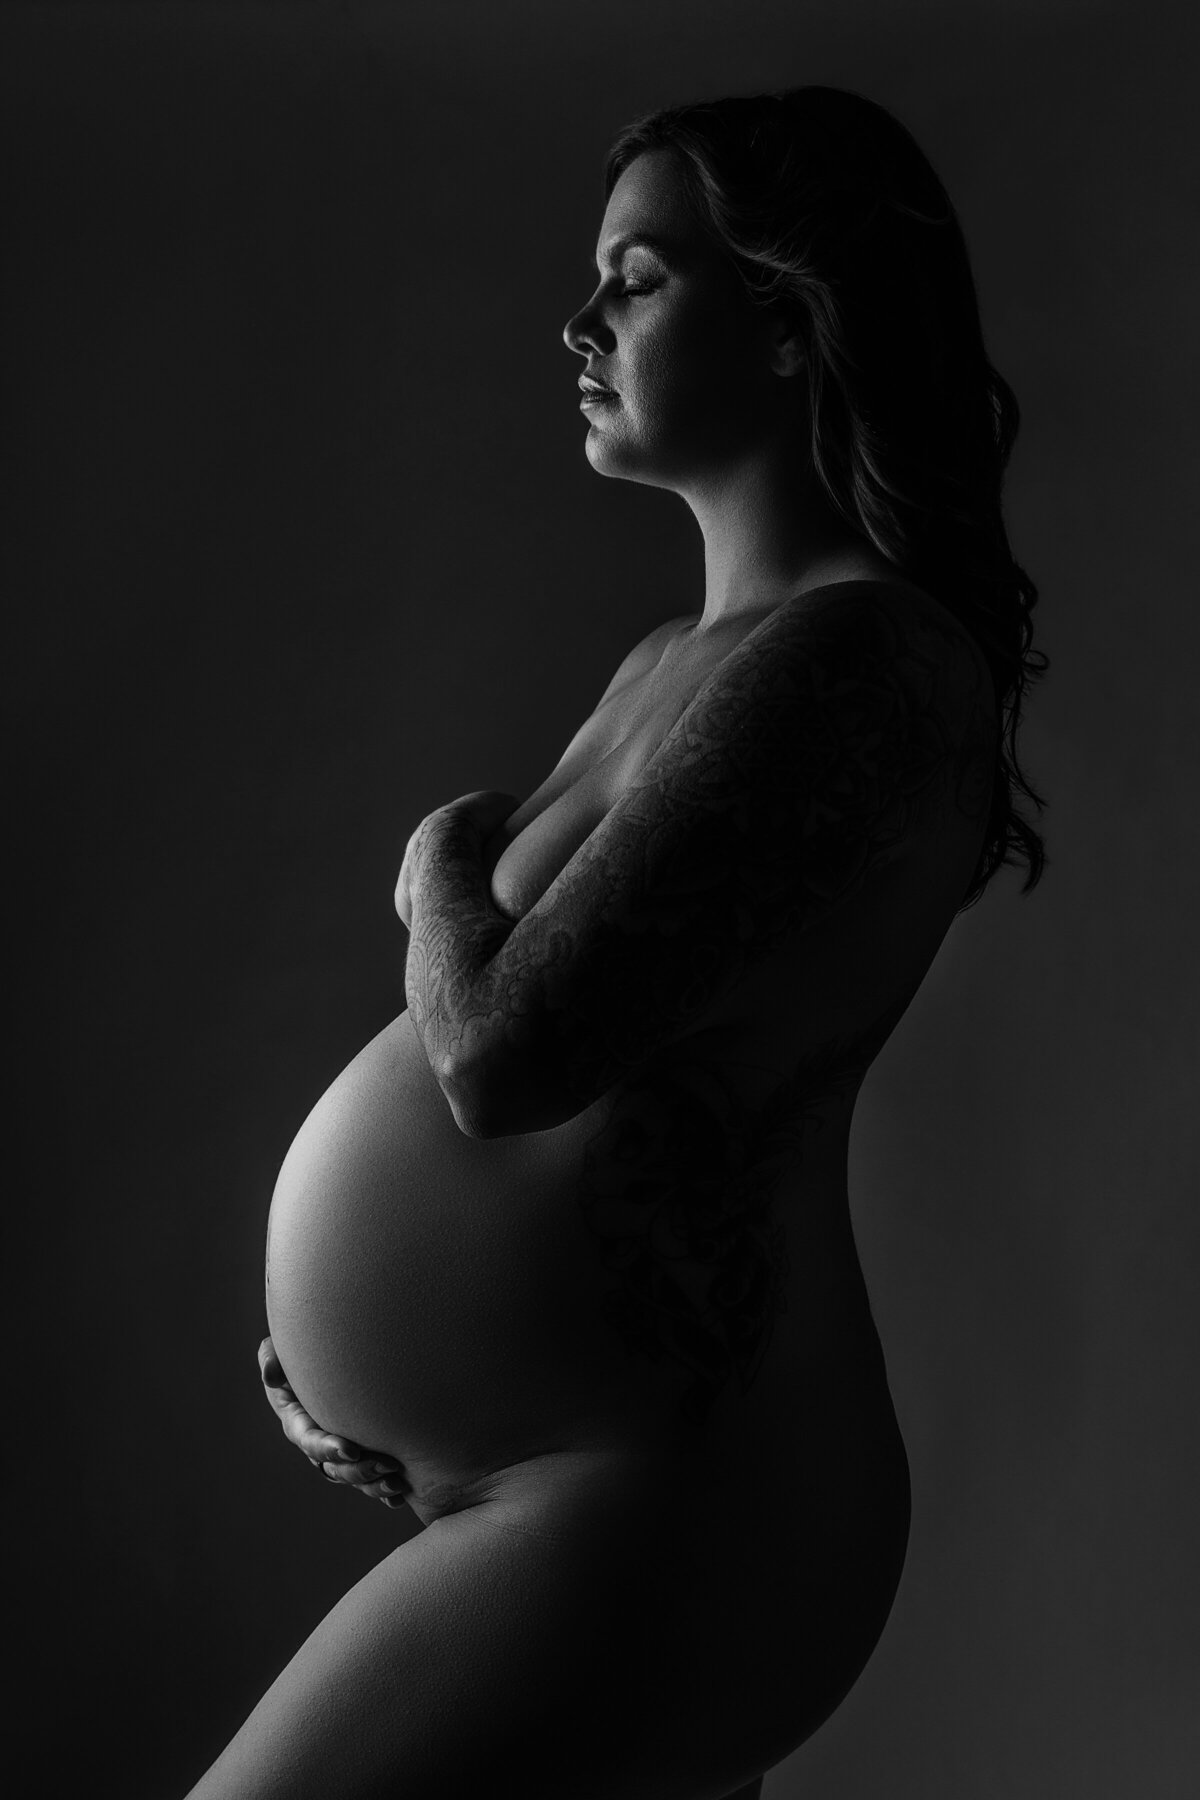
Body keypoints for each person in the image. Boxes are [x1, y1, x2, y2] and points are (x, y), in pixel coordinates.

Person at [191, 84, 1046, 1800]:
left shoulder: (859, 660)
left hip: (668, 1501)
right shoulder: (679, 657)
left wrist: (437, 865)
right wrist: (356, 1357)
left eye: (638, 279)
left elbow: (501, 1055)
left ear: (793, 323)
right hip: (569, 1473)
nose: (581, 322)